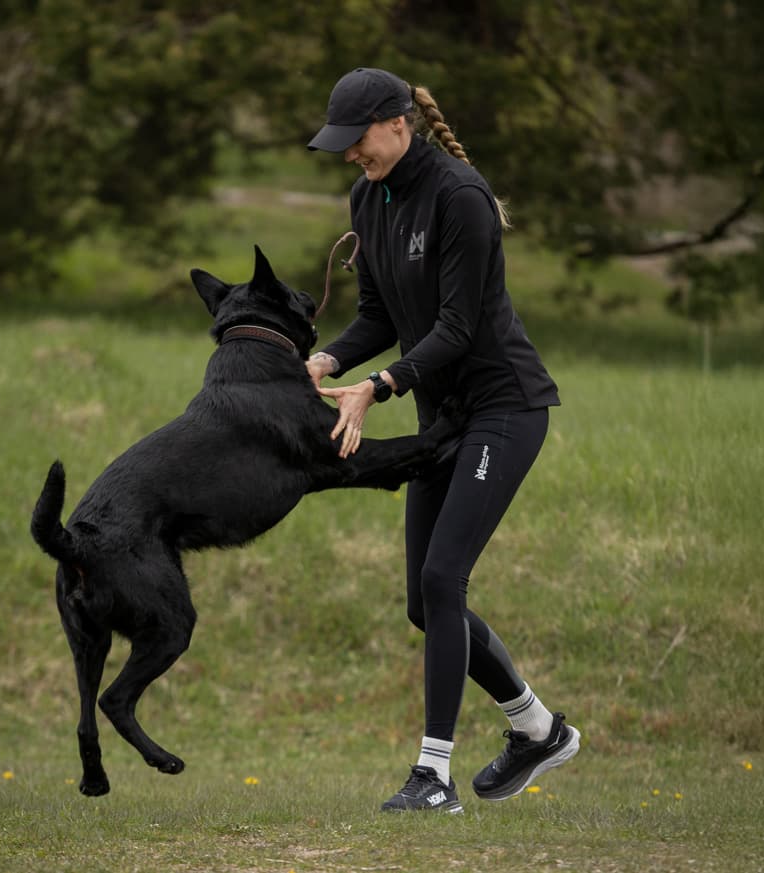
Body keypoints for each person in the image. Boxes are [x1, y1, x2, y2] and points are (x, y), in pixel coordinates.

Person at [305, 67, 580, 813]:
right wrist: (327, 360)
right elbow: (380, 316)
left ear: (399, 122)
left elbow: (456, 328)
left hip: (504, 410)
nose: (350, 156)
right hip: (444, 419)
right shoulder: (368, 195)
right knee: (425, 604)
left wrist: (380, 387)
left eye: (357, 139)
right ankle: (538, 730)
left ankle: (433, 776)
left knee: (442, 578)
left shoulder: (461, 196)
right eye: (343, 146)